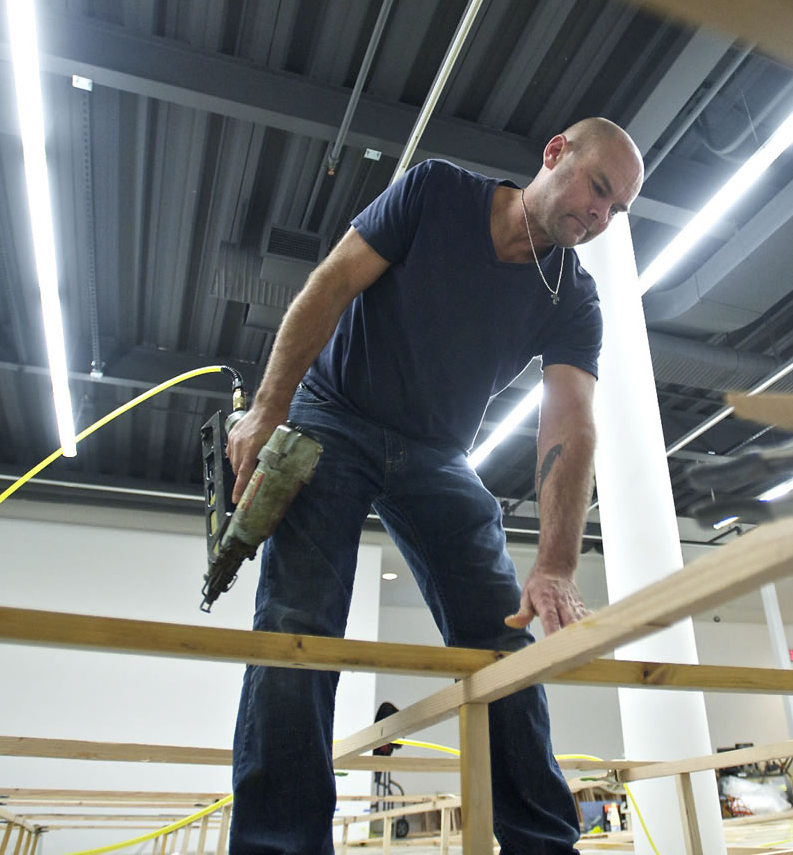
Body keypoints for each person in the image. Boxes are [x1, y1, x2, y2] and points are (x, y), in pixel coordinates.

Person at [224, 117, 644, 854]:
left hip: (437, 454)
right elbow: (330, 285)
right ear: (554, 154)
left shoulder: (574, 299)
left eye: (617, 210)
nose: (601, 216)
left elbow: (570, 427)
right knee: (300, 622)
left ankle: (541, 843)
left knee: (499, 637)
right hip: (337, 412)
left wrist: (555, 564)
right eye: (598, 189)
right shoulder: (438, 191)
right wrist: (269, 407)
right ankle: (278, 844)